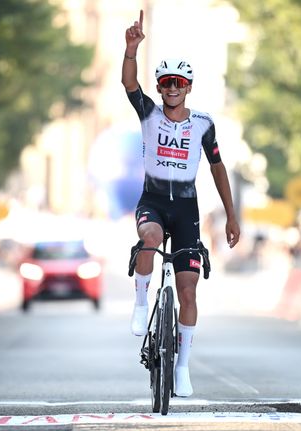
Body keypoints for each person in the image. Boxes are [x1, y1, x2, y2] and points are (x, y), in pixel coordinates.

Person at [122, 10, 240, 397]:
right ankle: (141, 303)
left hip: (187, 210)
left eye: (179, 83)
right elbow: (129, 84)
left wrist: (231, 216)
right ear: (160, 88)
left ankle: (183, 366)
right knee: (150, 238)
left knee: (189, 291)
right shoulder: (149, 114)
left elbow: (218, 168)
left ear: (188, 87)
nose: (172, 88)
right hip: (153, 202)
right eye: (166, 83)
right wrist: (131, 50)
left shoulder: (204, 124)